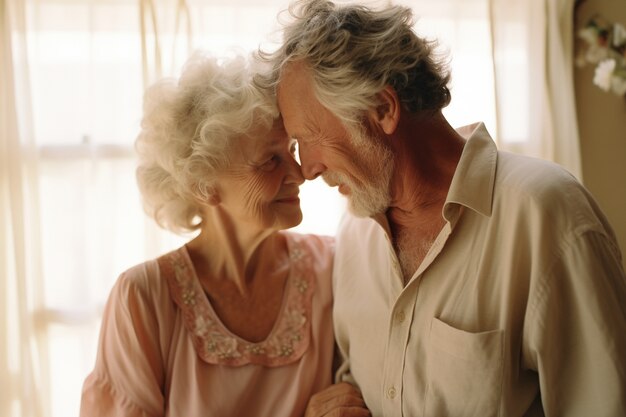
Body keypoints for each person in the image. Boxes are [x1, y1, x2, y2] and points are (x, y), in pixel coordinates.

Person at [256, 0, 626, 415]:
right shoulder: (355, 233)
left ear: (383, 108)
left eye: (309, 137)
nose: (307, 169)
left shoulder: (548, 214)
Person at [79, 51, 336, 417]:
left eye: (292, 150)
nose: (300, 173)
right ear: (204, 185)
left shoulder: (334, 269)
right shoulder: (144, 298)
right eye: (270, 160)